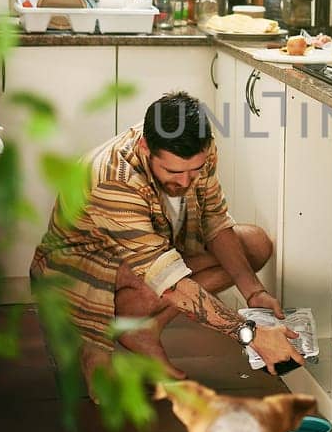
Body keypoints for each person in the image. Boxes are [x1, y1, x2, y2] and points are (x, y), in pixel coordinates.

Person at [31, 89, 301, 384]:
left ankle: (146, 330)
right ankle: (94, 342)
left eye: (194, 171)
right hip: (77, 272)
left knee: (255, 243)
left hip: (140, 256)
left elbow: (214, 218)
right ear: (146, 147)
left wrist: (253, 292)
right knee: (160, 281)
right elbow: (169, 283)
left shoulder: (201, 149)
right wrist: (251, 333)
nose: (185, 182)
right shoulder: (114, 179)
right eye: (173, 171)